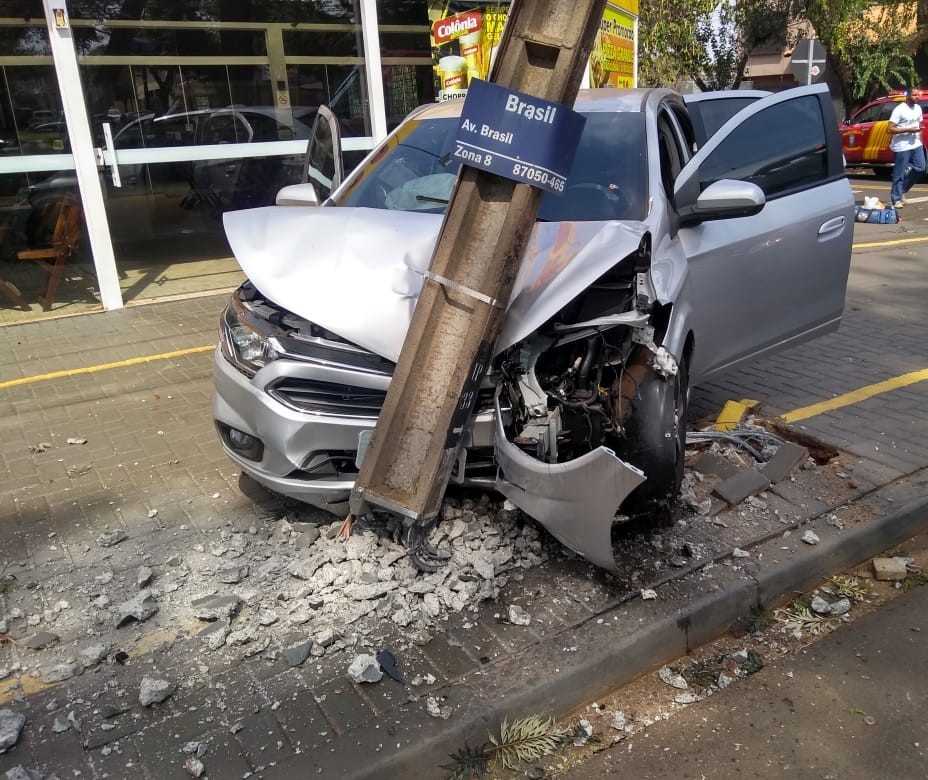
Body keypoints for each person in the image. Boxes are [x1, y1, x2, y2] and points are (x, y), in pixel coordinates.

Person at [888, 87, 925, 209]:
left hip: (915, 144)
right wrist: (908, 130)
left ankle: (902, 189)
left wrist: (920, 139)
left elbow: (918, 125)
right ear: (907, 96)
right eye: (914, 95)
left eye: (918, 95)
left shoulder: (918, 108)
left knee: (921, 167)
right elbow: (890, 129)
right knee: (899, 174)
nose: (917, 97)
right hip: (901, 146)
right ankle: (896, 199)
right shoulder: (899, 110)